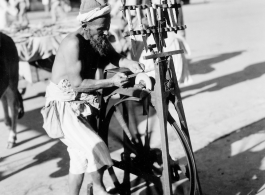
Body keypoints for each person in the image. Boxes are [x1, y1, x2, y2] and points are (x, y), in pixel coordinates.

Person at [41, 0, 145, 195]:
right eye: (100, 29)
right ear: (85, 25)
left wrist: (129, 63)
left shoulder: (98, 36)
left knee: (79, 159)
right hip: (63, 107)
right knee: (95, 147)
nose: (105, 33)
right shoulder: (73, 43)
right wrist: (112, 82)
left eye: (106, 28)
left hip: (79, 105)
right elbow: (78, 84)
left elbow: (110, 57)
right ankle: (99, 188)